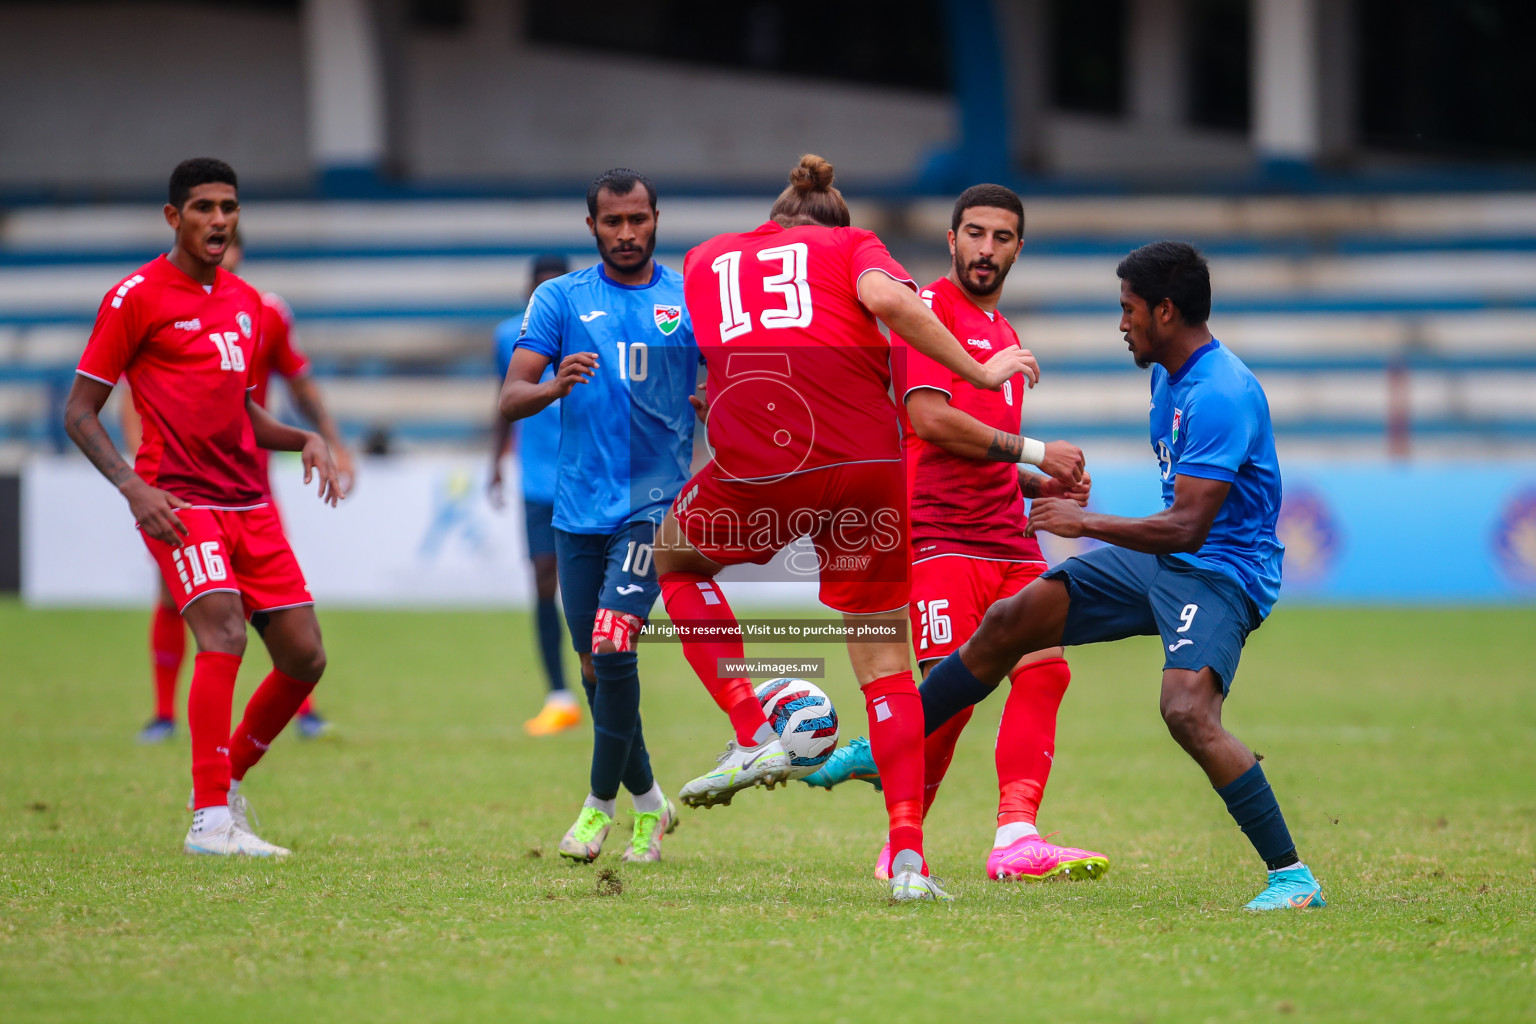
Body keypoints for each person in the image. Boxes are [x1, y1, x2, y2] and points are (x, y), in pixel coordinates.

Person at [654, 155, 1061, 902]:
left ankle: (752, 724)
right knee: (886, 668)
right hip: (867, 468)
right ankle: (908, 857)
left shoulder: (704, 260)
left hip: (759, 462)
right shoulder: (852, 247)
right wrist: (977, 370)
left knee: (675, 566)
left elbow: (699, 371)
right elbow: (892, 303)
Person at [915, 240, 1326, 911]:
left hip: (1222, 572)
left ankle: (1293, 878)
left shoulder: (1221, 393)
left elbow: (1190, 525)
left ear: (1165, 310)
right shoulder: (1169, 373)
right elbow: (1177, 528)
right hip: (1168, 559)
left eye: (1128, 308)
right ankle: (891, 741)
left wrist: (1086, 523)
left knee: (1187, 711)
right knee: (1012, 618)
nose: (1121, 322)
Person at [802, 184, 1109, 883]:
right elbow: (931, 422)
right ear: (951, 239)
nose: (986, 249)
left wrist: (1043, 483)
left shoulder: (1005, 339)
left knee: (1047, 670)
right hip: (937, 534)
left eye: (1001, 238)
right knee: (950, 694)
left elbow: (981, 450)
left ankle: (1016, 835)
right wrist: (1034, 452)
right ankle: (900, 845)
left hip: (1007, 537)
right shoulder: (929, 313)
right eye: (974, 233)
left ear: (1018, 250)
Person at [64, 158, 343, 857]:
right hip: (180, 501)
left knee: (305, 658)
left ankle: (223, 783)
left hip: (250, 501)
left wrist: (303, 438)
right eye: (202, 208)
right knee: (223, 635)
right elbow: (80, 412)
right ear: (173, 218)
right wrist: (134, 487)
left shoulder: (249, 303)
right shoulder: (134, 298)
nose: (218, 219)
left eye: (228, 206)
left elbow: (245, 411)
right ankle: (210, 822)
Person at [500, 169, 697, 864]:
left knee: (614, 644)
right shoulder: (560, 299)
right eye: (612, 222)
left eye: (637, 219)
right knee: (594, 667)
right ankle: (650, 804)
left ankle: (597, 807)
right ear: (592, 227)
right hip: (576, 509)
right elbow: (510, 396)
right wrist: (553, 383)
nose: (626, 233)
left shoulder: (688, 299)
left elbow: (728, 388)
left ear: (655, 218)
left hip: (653, 510)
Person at [129, 231, 353, 744]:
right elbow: (126, 389)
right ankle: (165, 718)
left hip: (251, 484)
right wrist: (138, 468)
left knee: (276, 602)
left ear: (240, 252)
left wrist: (330, 443)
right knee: (181, 597)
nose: (219, 255)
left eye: (228, 245)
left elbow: (298, 384)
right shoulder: (155, 303)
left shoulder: (261, 310)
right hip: (184, 485)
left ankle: (304, 710)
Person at [490, 253, 580, 736]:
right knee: (544, 579)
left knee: (587, 586)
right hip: (535, 479)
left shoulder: (590, 330)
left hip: (586, 474)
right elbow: (501, 397)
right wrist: (495, 463)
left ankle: (597, 680)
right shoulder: (508, 337)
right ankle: (557, 694)